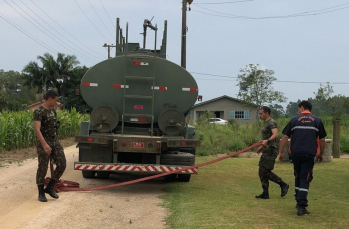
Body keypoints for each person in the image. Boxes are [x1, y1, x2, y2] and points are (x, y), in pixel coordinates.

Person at [278, 100, 326, 216]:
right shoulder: (317, 121)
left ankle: (298, 199)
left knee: (298, 176)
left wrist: (280, 152)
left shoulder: (294, 120)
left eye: (298, 109)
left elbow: (285, 137)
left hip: (295, 153)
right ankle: (301, 206)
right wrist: (321, 154)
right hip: (309, 154)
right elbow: (322, 139)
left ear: (302, 108)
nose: (298, 111)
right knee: (306, 177)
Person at [33, 90, 66, 202]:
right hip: (44, 141)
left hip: (54, 141)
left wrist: (57, 103)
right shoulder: (39, 111)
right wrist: (44, 144)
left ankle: (50, 187)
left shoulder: (52, 109)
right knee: (43, 167)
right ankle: (41, 192)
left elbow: (59, 106)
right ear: (50, 99)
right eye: (55, 100)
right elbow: (37, 129)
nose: (56, 102)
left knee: (62, 164)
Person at [255, 106, 289, 199]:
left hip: (271, 150)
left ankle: (283, 184)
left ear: (267, 113)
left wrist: (267, 141)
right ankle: (265, 193)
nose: (260, 115)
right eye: (259, 113)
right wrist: (261, 147)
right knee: (261, 171)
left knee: (265, 171)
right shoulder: (265, 123)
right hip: (266, 150)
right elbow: (266, 139)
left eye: (261, 113)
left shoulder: (271, 122)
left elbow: (275, 134)